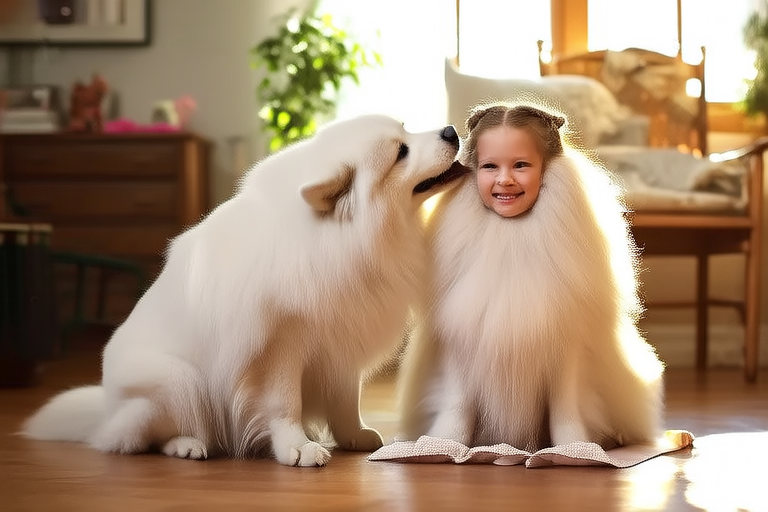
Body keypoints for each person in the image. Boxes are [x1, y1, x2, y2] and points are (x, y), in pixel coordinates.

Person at [397, 102, 665, 452]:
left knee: (568, 342)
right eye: (490, 166)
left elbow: (569, 345)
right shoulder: (447, 233)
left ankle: (566, 419)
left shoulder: (575, 237)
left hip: (571, 407)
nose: (505, 178)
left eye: (520, 165)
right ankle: (457, 413)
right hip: (458, 401)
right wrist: (456, 414)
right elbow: (453, 341)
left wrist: (569, 423)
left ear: (548, 170)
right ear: (472, 168)